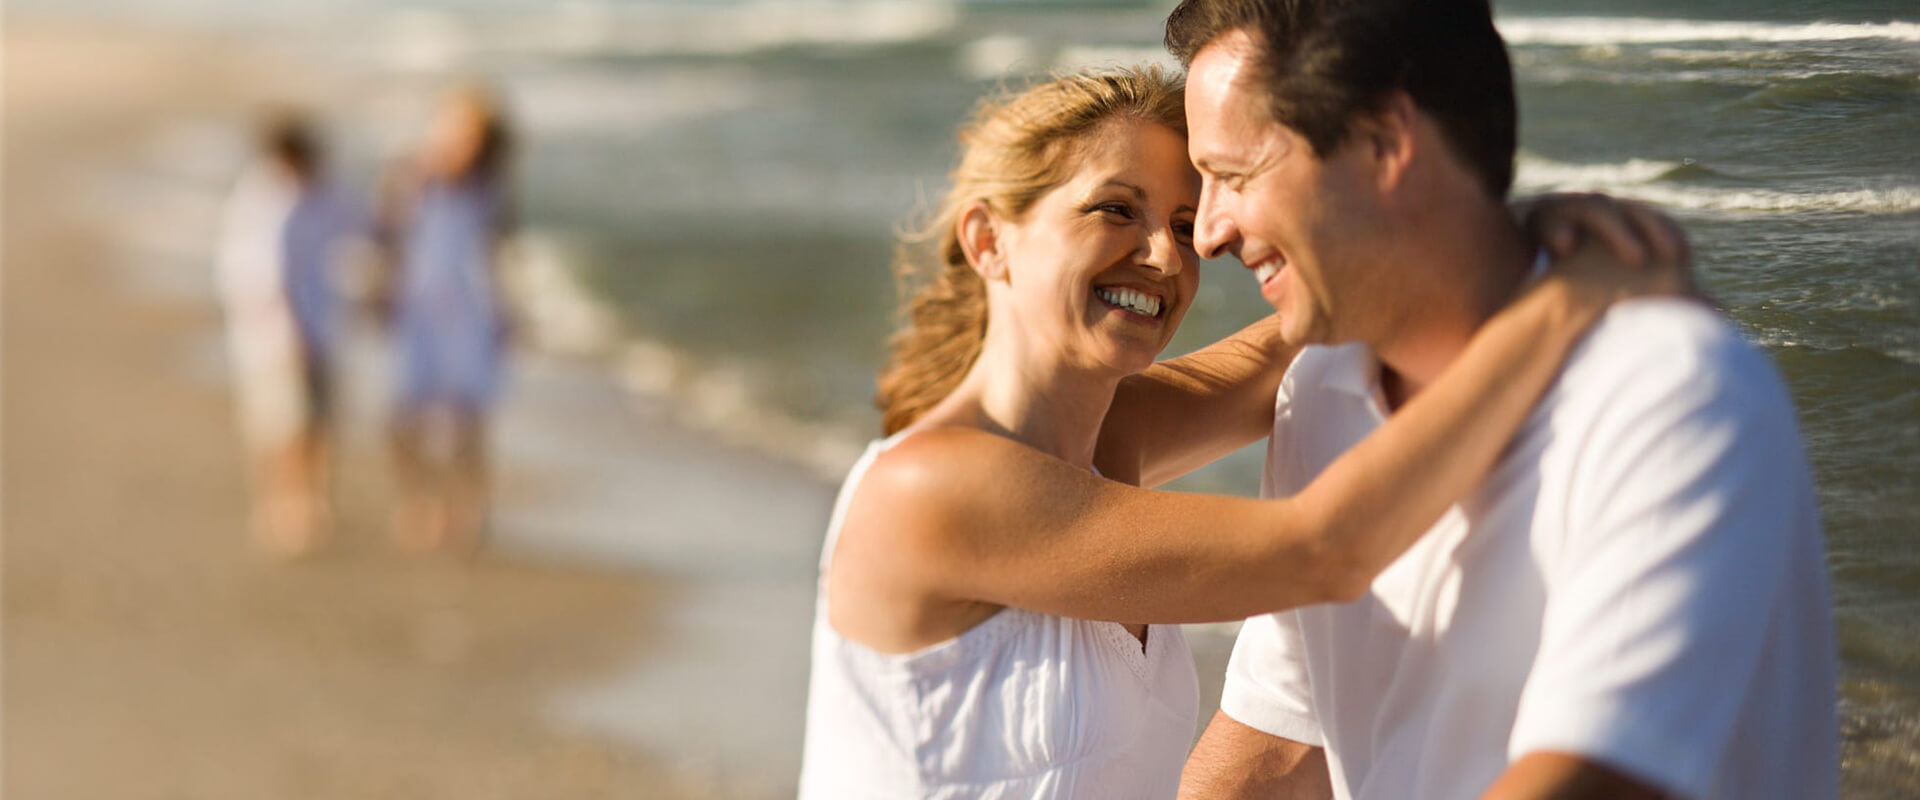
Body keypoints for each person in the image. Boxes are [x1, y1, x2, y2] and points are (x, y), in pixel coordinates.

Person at [797, 66, 1689, 798]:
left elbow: (1295, 337)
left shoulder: (1111, 431)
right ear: (991, 240)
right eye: (1117, 209)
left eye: (1185, 224)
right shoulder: (934, 492)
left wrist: (1489, 244)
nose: (1166, 256)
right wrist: (1565, 304)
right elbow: (1325, 549)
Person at [1159, 2, 1840, 799]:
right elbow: (1275, 742)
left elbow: (1591, 782)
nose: (1206, 233)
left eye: (1234, 177)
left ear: (1385, 144)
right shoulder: (1320, 392)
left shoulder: (1667, 394)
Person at [214, 110, 361, 556]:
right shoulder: (261, 202)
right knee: (280, 427)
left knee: (316, 424)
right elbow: (256, 274)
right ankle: (277, 507)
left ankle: (311, 505)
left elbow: (363, 224)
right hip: (274, 338)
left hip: (319, 327)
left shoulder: (322, 195)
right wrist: (286, 330)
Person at [379, 85, 516, 552]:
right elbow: (385, 236)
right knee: (405, 419)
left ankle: (467, 510)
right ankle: (419, 502)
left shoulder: (489, 191)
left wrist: (508, 313)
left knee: (466, 422)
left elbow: (499, 256)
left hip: (469, 314)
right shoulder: (412, 179)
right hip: (418, 310)